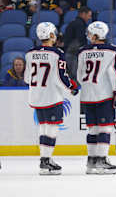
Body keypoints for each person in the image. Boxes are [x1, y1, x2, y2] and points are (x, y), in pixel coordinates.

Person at [24, 22, 79, 175]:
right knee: (52, 127)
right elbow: (61, 77)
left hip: (36, 96)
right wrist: (72, 87)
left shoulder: (29, 53)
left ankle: (44, 159)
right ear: (51, 35)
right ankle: (46, 160)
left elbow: (27, 78)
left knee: (42, 127)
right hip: (51, 96)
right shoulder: (57, 53)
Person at [77, 21, 116, 174]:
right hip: (104, 95)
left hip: (87, 95)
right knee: (105, 128)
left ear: (96, 35)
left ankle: (91, 161)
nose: (88, 36)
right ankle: (102, 160)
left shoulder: (82, 51)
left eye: (90, 33)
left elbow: (80, 76)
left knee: (92, 129)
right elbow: (114, 74)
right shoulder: (112, 51)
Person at [64, 7, 92, 79]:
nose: (89, 18)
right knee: (75, 76)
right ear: (83, 14)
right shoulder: (79, 24)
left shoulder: (73, 23)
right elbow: (79, 40)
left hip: (70, 53)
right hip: (74, 54)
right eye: (89, 15)